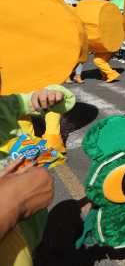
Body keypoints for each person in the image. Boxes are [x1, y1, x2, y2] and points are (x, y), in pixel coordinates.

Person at [0, 87, 74, 266]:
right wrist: (12, 200)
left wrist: (49, 96)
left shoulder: (5, 105)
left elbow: (66, 100)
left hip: (33, 227)